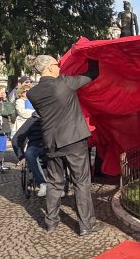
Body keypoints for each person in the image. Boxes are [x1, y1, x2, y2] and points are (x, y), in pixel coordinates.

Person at [25, 53, 101, 234]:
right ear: (50, 67)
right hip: (73, 140)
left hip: (51, 142)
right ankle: (86, 225)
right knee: (81, 182)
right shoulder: (65, 83)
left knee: (54, 183)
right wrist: (91, 53)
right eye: (57, 64)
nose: (60, 67)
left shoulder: (32, 93)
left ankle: (51, 223)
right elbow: (93, 73)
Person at [13, 112, 47, 197]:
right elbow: (16, 139)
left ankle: (58, 184)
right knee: (30, 153)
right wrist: (21, 156)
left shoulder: (54, 116)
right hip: (36, 147)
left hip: (51, 146)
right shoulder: (32, 120)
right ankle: (43, 183)